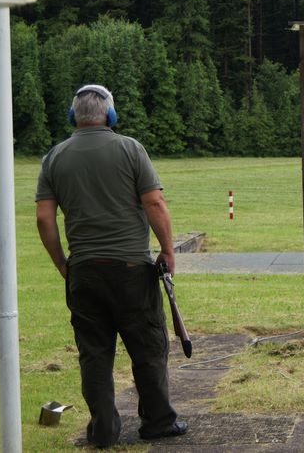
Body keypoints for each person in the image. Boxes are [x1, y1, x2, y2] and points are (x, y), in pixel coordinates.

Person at [35, 84, 187, 448]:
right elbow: (155, 204)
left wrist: (62, 264)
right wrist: (167, 250)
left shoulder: (54, 157)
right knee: (148, 348)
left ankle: (103, 430)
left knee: (95, 355)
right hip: (132, 268)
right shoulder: (131, 148)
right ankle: (158, 422)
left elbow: (44, 218)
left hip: (84, 271)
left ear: (75, 116)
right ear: (111, 115)